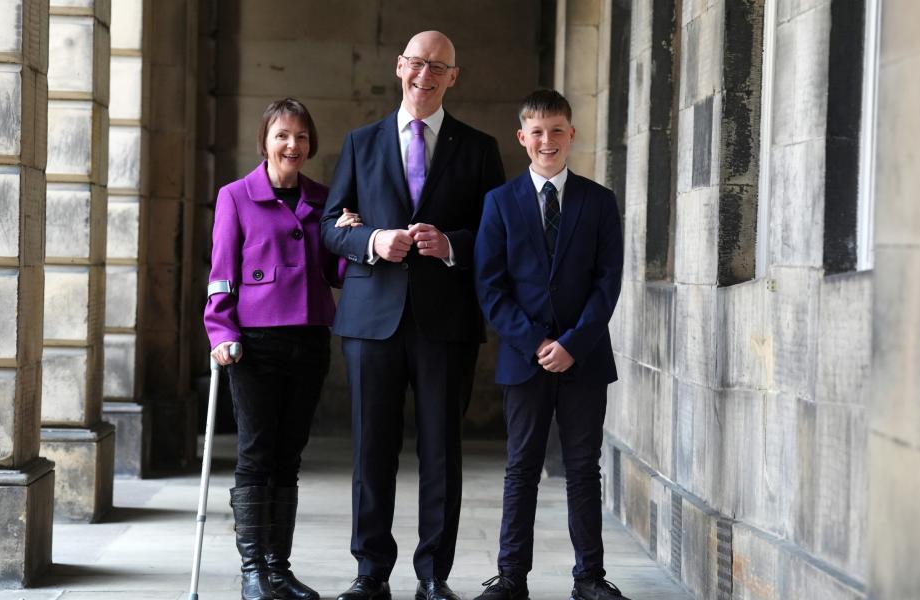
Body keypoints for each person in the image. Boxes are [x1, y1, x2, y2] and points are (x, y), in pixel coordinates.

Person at [320, 30, 506, 600]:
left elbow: (498, 236)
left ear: (453, 77)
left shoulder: (479, 148)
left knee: (441, 453)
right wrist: (373, 240)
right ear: (400, 67)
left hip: (444, 322)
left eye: (439, 67)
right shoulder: (360, 142)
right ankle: (370, 573)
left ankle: (432, 577)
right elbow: (330, 228)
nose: (426, 75)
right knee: (370, 450)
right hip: (371, 318)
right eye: (418, 64)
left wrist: (448, 244)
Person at [472, 89, 628, 600]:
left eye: (557, 130)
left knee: (583, 467)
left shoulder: (599, 202)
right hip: (524, 357)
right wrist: (538, 342)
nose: (547, 141)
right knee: (521, 468)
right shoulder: (499, 203)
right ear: (522, 138)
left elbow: (608, 283)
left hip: (584, 359)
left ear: (572, 135)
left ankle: (589, 578)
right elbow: (490, 286)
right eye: (537, 132)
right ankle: (511, 576)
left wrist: (572, 345)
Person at [204, 98, 359, 600]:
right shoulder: (235, 196)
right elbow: (221, 272)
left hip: (310, 338)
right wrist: (220, 331)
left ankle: (279, 567)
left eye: (301, 137)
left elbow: (333, 273)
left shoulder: (323, 197)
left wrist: (351, 239)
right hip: (253, 343)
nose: (293, 145)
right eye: (282, 136)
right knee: (255, 453)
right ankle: (253, 572)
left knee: (289, 456)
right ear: (265, 141)